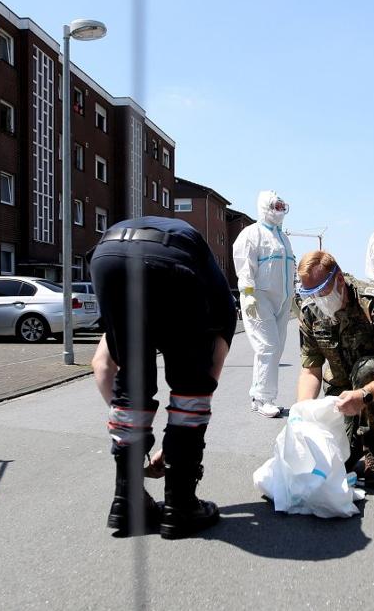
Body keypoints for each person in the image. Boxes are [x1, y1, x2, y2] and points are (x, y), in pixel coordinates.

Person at [89, 216, 236, 539]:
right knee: (190, 383)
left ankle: (127, 501)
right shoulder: (222, 306)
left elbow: (102, 367)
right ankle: (181, 505)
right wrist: (175, 447)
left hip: (106, 257)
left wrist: (133, 448)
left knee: (133, 380)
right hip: (172, 265)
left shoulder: (125, 264)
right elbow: (202, 387)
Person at [293, 250, 374, 489]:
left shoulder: (373, 301)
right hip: (341, 392)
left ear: (339, 279)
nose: (318, 298)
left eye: (322, 290)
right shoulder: (310, 312)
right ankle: (355, 444)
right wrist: (302, 412)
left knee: (367, 369)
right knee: (338, 460)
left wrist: (364, 395)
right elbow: (311, 370)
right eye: (309, 293)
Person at [232, 190, 296, 418]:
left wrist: (293, 297)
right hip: (259, 298)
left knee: (275, 349)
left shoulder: (283, 238)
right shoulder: (252, 234)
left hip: (282, 299)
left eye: (282, 207)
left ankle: (259, 394)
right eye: (275, 206)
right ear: (265, 207)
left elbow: (290, 269)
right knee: (267, 347)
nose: (279, 211)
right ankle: (263, 399)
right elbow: (245, 266)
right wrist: (247, 294)